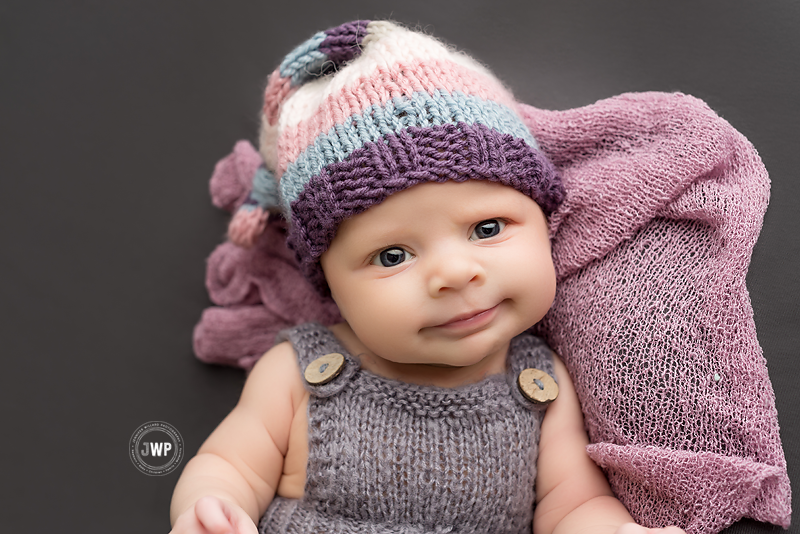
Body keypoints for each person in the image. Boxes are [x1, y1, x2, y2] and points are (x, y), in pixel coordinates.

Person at [170, 20, 686, 534]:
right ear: (327, 282)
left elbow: (574, 506)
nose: (455, 274)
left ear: (543, 221)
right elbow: (229, 465)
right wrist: (210, 507)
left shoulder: (540, 384)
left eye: (487, 228)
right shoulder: (297, 372)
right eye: (392, 256)